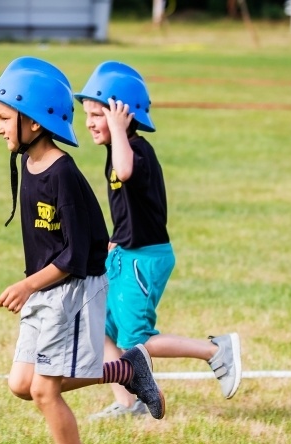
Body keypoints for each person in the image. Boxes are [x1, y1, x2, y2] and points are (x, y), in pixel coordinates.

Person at [0, 57, 167, 444]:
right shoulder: (29, 164)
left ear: (35, 121)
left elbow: (77, 251)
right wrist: (34, 286)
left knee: (45, 389)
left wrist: (28, 285)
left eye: (5, 119)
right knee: (21, 385)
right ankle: (124, 368)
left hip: (73, 291)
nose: (0, 129)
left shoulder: (63, 173)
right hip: (46, 289)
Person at [74, 61, 242, 420]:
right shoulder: (116, 152)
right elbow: (128, 206)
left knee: (138, 341)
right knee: (100, 327)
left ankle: (215, 351)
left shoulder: (137, 151)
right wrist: (115, 241)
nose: (89, 122)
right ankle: (128, 403)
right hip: (126, 253)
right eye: (86, 114)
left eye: (97, 114)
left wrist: (118, 129)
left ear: (122, 113)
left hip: (145, 259)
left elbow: (126, 171)